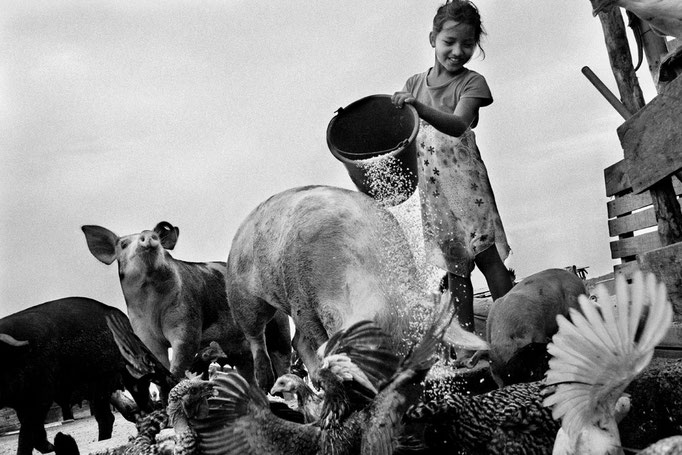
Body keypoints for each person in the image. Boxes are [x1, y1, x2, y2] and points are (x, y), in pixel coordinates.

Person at [392, 0, 513, 351]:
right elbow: (405, 139)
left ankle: (508, 335)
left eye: (467, 44)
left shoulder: (472, 83)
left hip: (466, 185)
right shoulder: (414, 83)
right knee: (455, 270)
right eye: (449, 42)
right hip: (434, 191)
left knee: (487, 257)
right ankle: (468, 347)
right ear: (433, 38)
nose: (458, 51)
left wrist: (418, 108)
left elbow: (459, 125)